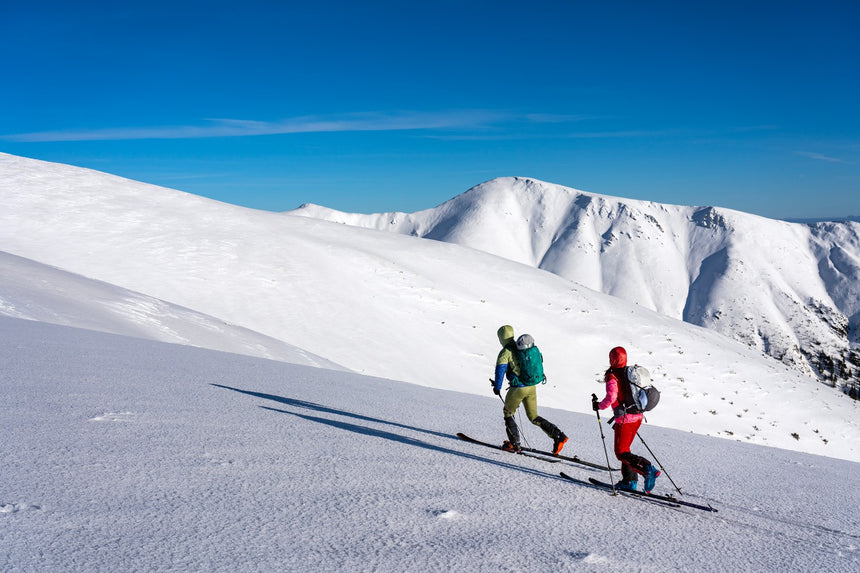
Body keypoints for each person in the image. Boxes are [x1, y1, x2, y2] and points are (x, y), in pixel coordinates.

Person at [592, 346, 660, 492]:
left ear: (612, 359)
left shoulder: (613, 376)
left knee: (621, 452)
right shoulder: (630, 372)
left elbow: (611, 397)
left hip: (625, 419)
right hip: (638, 416)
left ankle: (648, 469)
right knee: (626, 451)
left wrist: (599, 405)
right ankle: (629, 481)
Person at [492, 325, 568, 455]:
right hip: (531, 387)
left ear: (501, 338)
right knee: (533, 416)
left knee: (508, 413)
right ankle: (558, 435)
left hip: (518, 389)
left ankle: (514, 444)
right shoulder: (521, 347)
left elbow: (500, 371)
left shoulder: (506, 352)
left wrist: (497, 387)